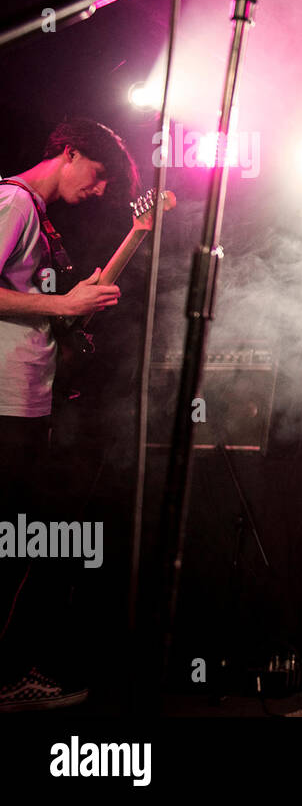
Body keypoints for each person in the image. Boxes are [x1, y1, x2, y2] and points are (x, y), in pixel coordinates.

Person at [0, 117, 136, 711]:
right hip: (4, 407)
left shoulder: (39, 218)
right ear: (69, 153)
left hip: (26, 405)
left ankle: (12, 675)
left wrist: (79, 301)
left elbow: (51, 313)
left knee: (30, 544)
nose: (102, 189)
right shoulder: (14, 202)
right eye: (100, 174)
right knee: (25, 545)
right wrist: (61, 302)